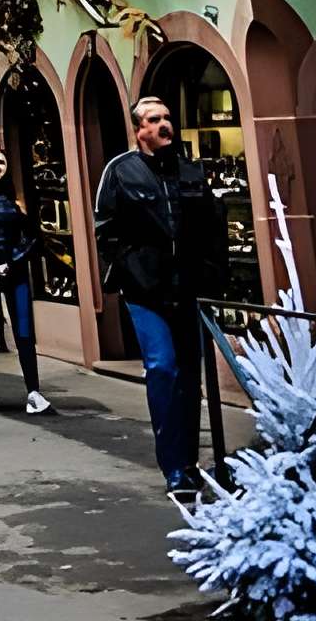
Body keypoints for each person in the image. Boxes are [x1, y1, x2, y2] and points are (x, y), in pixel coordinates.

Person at [94, 95, 226, 496]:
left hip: (187, 289)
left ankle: (189, 462)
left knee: (189, 377)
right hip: (145, 293)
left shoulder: (190, 171)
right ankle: (172, 466)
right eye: (155, 119)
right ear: (140, 130)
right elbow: (106, 230)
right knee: (163, 368)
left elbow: (211, 228)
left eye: (168, 117)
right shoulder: (120, 171)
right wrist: (133, 271)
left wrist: (212, 277)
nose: (165, 124)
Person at [0, 147, 51, 415]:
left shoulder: (18, 200)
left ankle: (34, 392)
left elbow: (34, 237)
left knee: (25, 332)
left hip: (16, 273)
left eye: (1, 162)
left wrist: (12, 261)